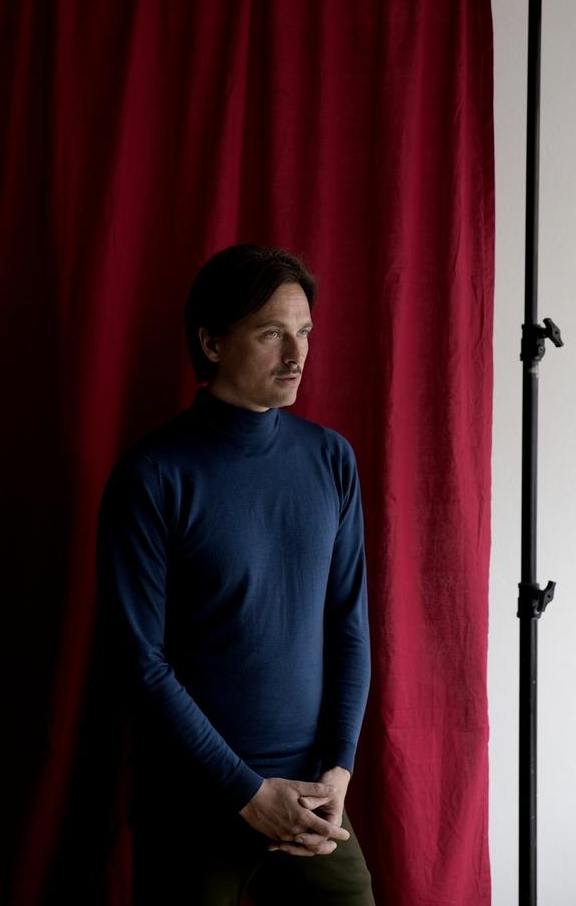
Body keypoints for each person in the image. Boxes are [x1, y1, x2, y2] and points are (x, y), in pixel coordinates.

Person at [97, 244, 374, 905]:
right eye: (273, 332)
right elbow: (140, 662)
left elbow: (349, 623)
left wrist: (339, 769)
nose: (297, 354)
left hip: (311, 802)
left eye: (305, 331)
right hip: (192, 806)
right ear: (213, 342)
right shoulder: (153, 475)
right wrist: (247, 792)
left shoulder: (331, 459)